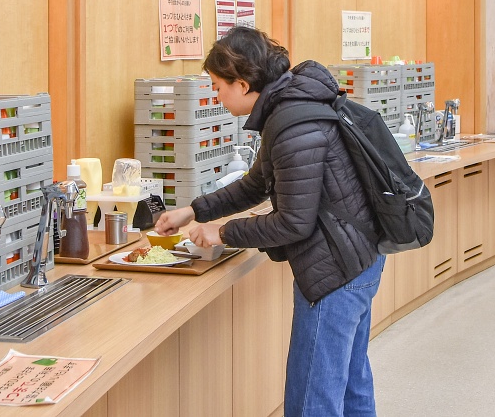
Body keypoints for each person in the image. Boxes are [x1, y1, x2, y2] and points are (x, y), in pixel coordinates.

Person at [155, 26, 384, 417]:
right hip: (358, 256)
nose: (216, 95)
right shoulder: (290, 106)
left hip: (334, 272)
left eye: (217, 86)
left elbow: (295, 223)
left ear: (242, 84)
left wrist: (224, 232)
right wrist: (193, 211)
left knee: (312, 401)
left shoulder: (291, 124)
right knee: (350, 386)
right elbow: (257, 184)